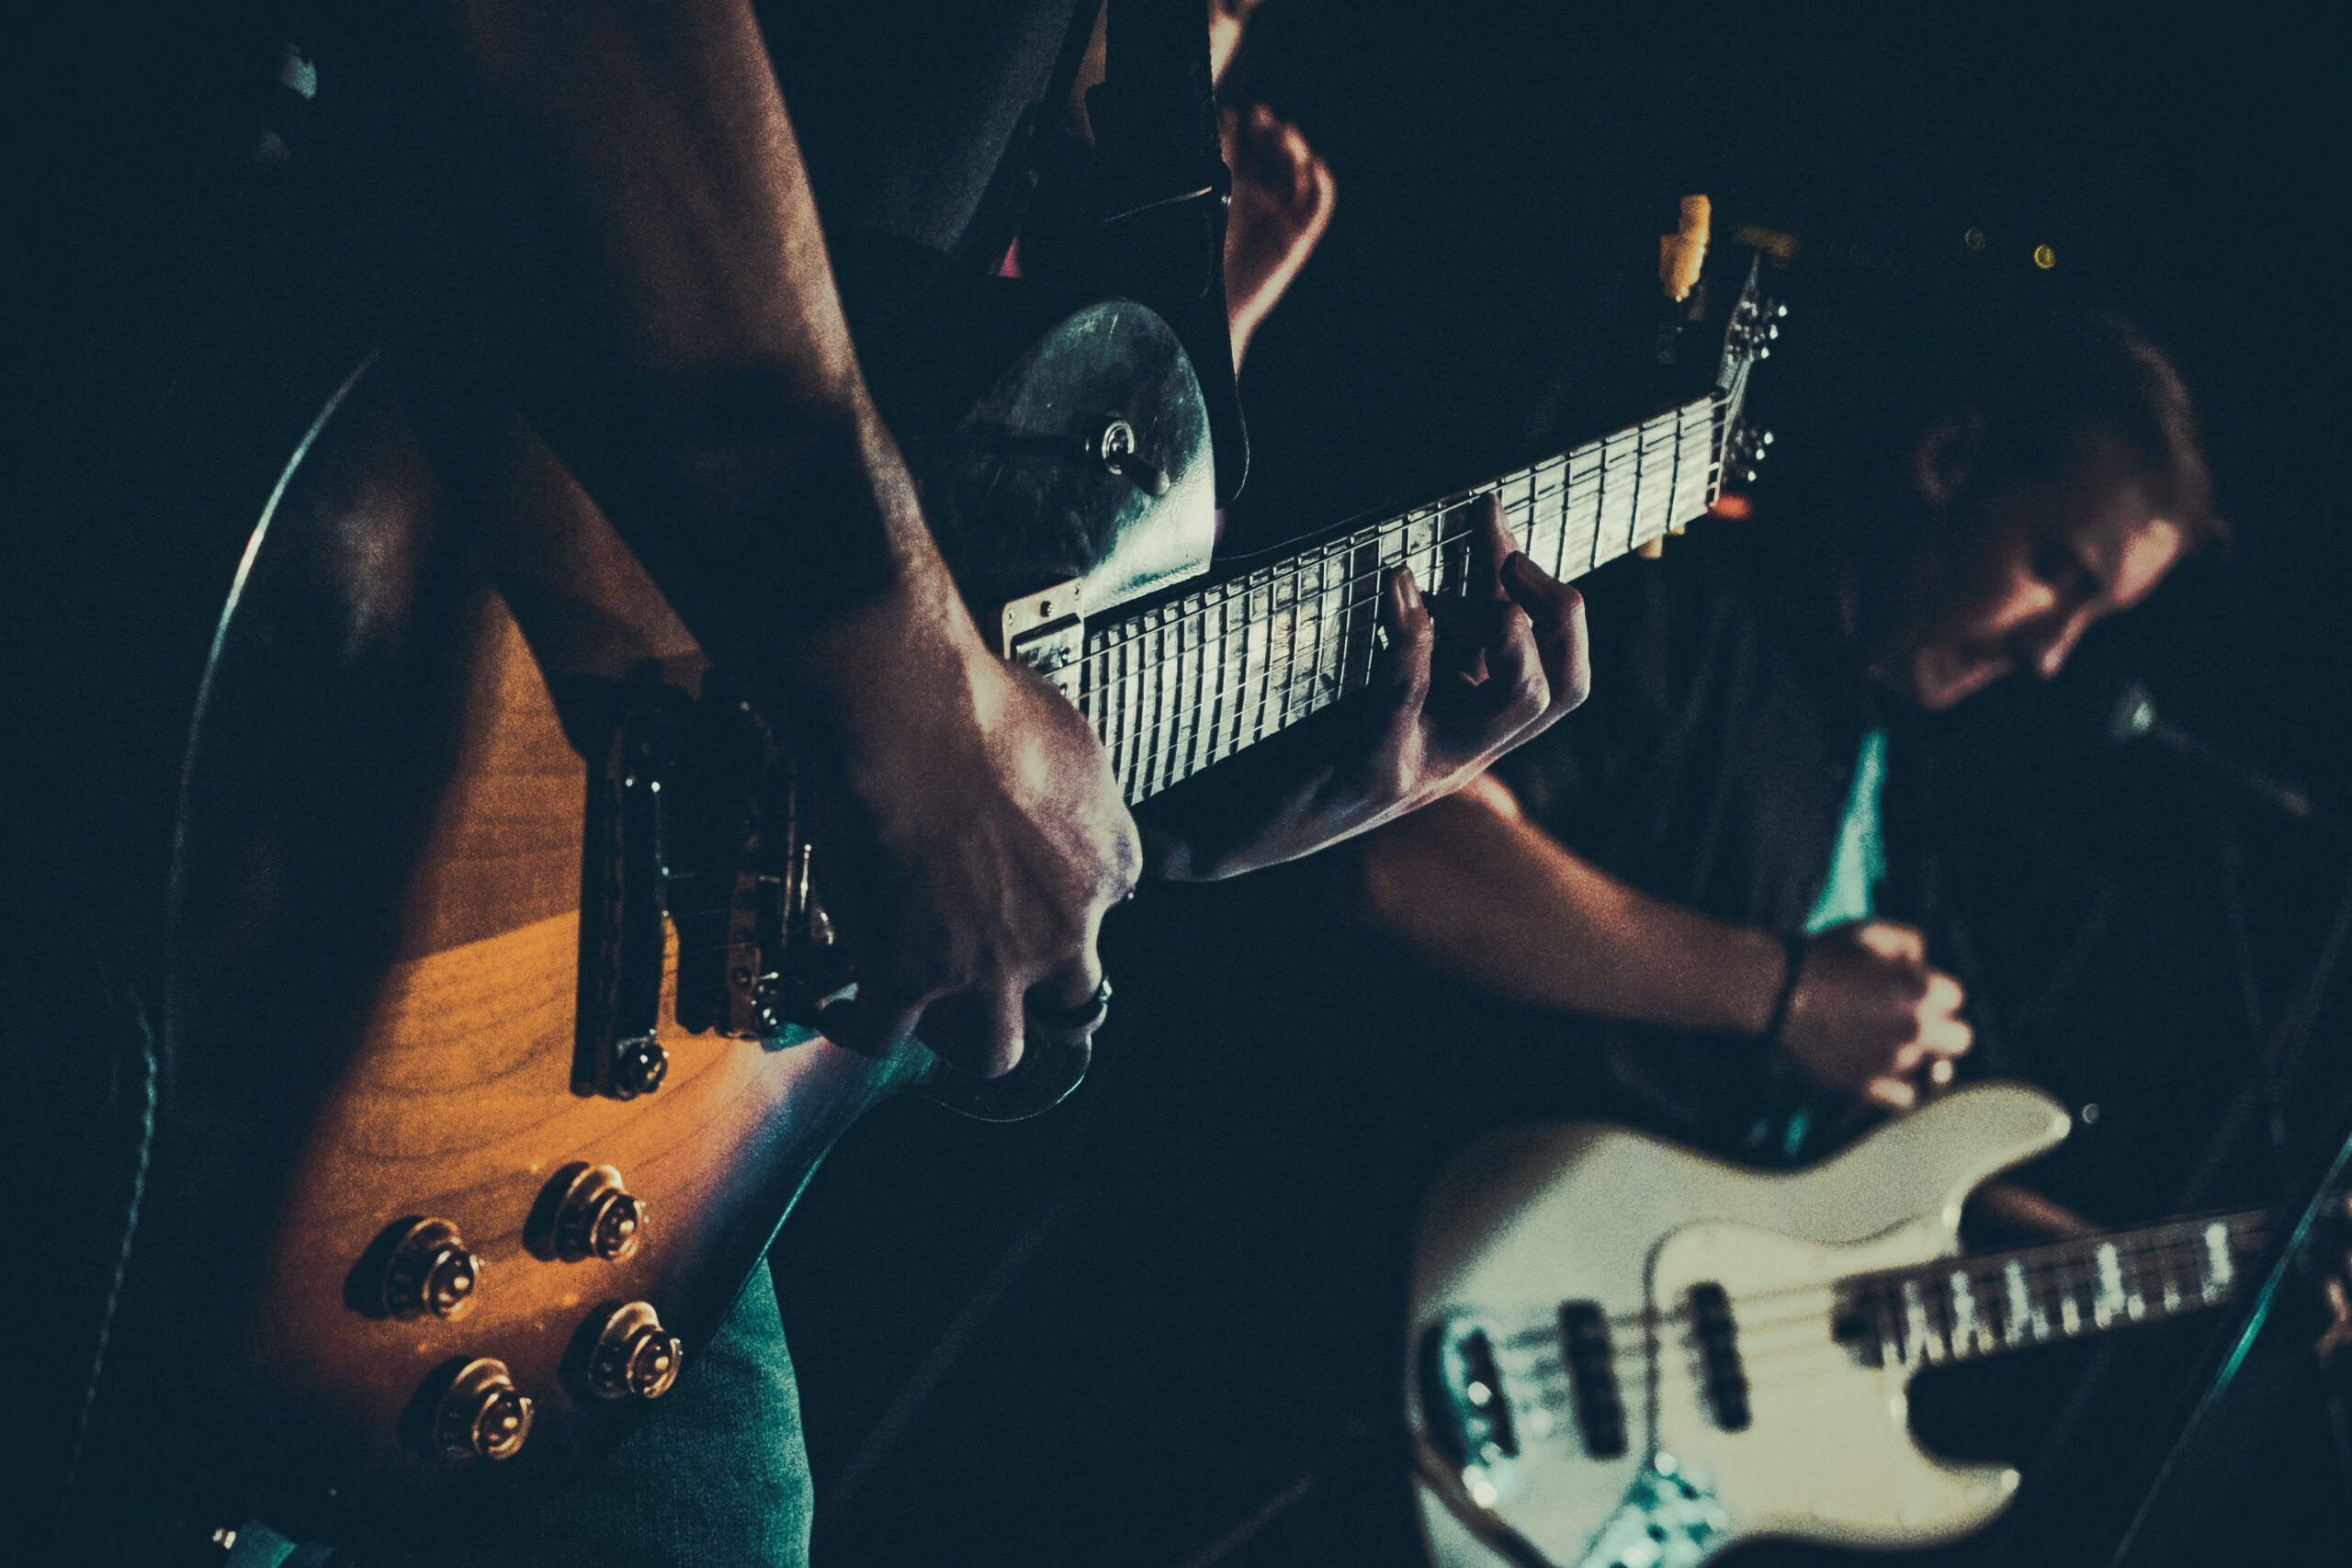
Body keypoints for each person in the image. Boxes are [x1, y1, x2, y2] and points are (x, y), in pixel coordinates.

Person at [26, 3, 1586, 1564]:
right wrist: (904, 700)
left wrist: (1212, 813)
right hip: (253, 684)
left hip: (598, 1078)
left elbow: (950, 639)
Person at [1352, 302, 2218, 1155]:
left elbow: (1949, 1153)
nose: (2052, 655)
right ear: (1949, 460)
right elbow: (1408, 856)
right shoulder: (1678, 611)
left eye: (2092, 619)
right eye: (2053, 570)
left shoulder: (1907, 772)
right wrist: (1787, 992)